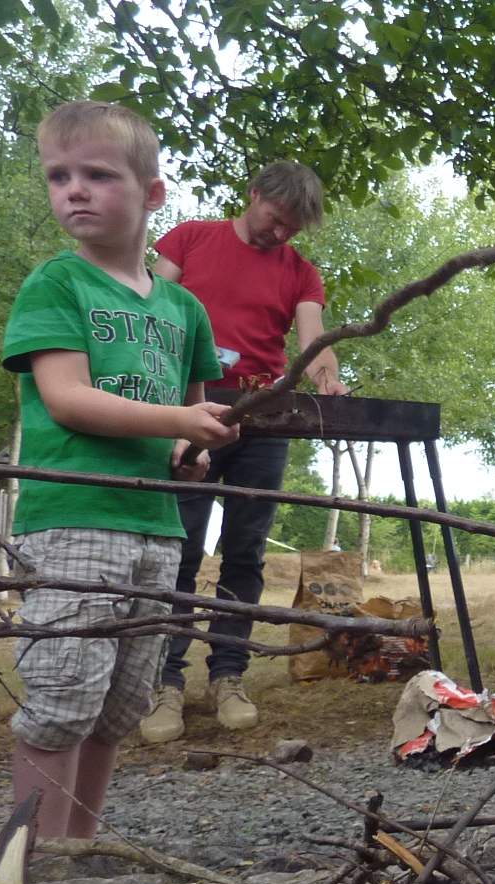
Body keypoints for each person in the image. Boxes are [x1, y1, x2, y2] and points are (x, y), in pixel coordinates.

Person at [2, 100, 237, 838]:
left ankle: (80, 853)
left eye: (99, 175)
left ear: (152, 193)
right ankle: (30, 870)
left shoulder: (183, 309)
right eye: (58, 176)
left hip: (155, 527)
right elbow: (68, 399)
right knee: (62, 698)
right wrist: (180, 423)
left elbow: (189, 418)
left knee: (118, 707)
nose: (74, 189)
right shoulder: (57, 284)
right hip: (74, 517)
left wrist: (193, 451)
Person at [143, 160, 349, 743]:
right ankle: (164, 682)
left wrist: (329, 380)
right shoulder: (189, 239)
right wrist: (164, 404)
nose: (280, 234)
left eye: (292, 229)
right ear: (253, 195)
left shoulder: (301, 273)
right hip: (188, 408)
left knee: (245, 551)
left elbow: (314, 341)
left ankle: (228, 675)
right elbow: (151, 312)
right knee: (179, 547)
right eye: (275, 219)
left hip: (264, 417)